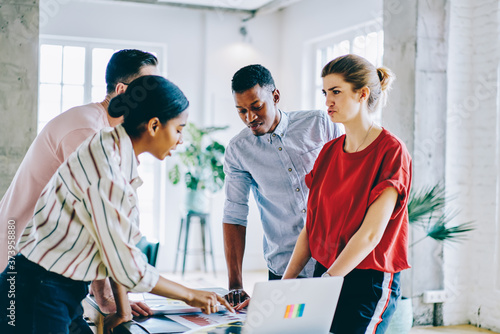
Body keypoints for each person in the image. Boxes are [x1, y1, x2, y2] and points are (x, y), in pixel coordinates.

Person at [0, 75, 234, 334]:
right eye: (179, 129)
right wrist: (191, 295)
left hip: (54, 288)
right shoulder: (107, 167)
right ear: (154, 126)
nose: (181, 140)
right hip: (37, 289)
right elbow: (128, 266)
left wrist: (123, 310)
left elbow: (113, 243)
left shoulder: (115, 149)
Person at [0, 49, 159, 319]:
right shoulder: (87, 130)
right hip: (21, 259)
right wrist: (108, 298)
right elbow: (97, 221)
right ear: (122, 90)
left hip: (48, 263)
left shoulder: (107, 132)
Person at [282, 54, 412, 334]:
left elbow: (370, 235)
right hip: (326, 271)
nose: (328, 100)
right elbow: (312, 226)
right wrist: (286, 282)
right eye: (325, 92)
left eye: (336, 92)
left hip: (368, 280)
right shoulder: (328, 152)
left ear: (362, 94)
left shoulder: (391, 151)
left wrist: (328, 280)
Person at [223, 64, 342, 308]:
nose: (250, 118)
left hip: (333, 260)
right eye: (241, 111)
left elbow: (345, 182)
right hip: (284, 265)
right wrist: (235, 283)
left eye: (257, 107)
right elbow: (235, 214)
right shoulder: (238, 150)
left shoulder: (319, 124)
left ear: (275, 96)